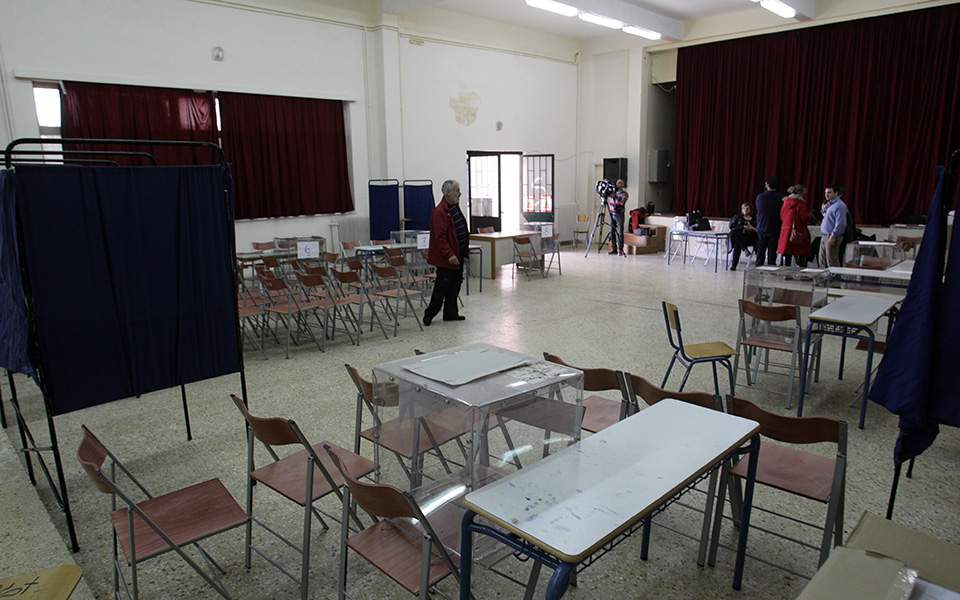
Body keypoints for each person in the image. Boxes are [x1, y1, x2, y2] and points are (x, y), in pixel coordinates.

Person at [423, 179, 468, 325]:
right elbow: (440, 238)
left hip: (458, 255)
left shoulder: (454, 207)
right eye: (457, 190)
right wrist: (450, 255)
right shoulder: (439, 212)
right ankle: (429, 314)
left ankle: (450, 313)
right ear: (447, 193)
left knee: (455, 286)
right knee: (441, 288)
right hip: (447, 258)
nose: (459, 193)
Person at [778, 185, 812, 267]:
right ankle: (801, 270)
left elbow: (782, 216)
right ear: (801, 193)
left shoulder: (786, 202)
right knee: (801, 252)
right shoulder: (801, 203)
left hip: (786, 231)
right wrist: (810, 216)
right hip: (797, 231)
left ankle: (786, 270)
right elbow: (804, 218)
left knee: (787, 253)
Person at [754, 176, 784, 267]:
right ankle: (771, 270)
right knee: (772, 253)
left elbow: (759, 211)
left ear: (767, 185)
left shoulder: (760, 197)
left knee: (760, 252)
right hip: (775, 228)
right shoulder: (781, 198)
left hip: (762, 227)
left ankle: (758, 270)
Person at [819, 184, 848, 267]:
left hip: (832, 236)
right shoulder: (829, 204)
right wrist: (823, 210)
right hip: (825, 235)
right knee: (822, 261)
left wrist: (833, 236)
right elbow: (829, 218)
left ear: (836, 193)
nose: (826, 195)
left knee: (832, 261)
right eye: (825, 192)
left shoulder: (840, 205)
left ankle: (835, 275)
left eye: (829, 192)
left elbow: (841, 223)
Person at [728, 202, 758, 271]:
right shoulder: (737, 217)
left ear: (750, 210)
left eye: (747, 209)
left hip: (750, 238)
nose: (745, 210)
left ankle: (744, 250)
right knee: (736, 239)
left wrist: (751, 228)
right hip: (740, 238)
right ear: (742, 209)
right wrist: (743, 227)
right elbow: (731, 226)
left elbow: (758, 230)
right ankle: (734, 265)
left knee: (738, 243)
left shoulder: (754, 218)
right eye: (744, 208)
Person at [608, 179, 628, 256]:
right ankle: (614, 249)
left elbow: (621, 203)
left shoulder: (625, 194)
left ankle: (620, 249)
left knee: (620, 232)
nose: (618, 184)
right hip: (612, 214)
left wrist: (615, 197)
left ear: (623, 185)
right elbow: (609, 200)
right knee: (612, 231)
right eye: (617, 183)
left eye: (620, 183)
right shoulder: (613, 193)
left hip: (619, 214)